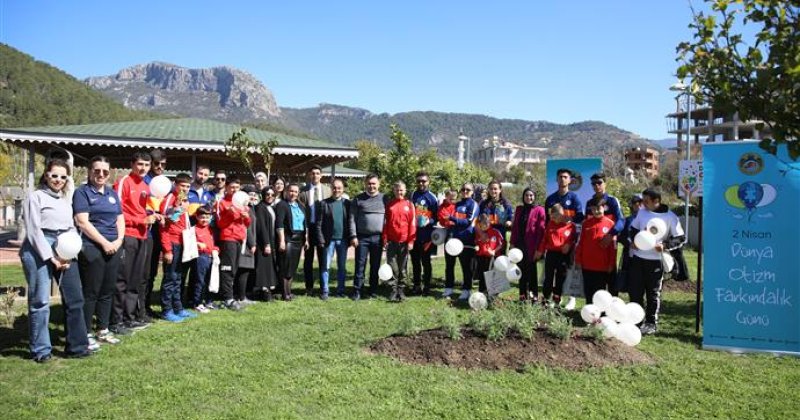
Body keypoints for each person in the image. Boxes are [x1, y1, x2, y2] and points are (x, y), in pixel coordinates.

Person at [20, 158, 91, 362]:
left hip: (64, 246)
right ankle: (41, 350)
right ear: (46, 175)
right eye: (54, 175)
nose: (58, 180)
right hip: (39, 247)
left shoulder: (65, 199)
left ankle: (77, 346)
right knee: (41, 301)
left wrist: (67, 252)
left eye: (63, 176)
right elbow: (33, 231)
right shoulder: (35, 198)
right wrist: (50, 257)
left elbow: (70, 227)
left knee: (75, 297)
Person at [74, 156, 125, 347]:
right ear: (90, 171)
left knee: (107, 290)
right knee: (91, 291)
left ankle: (103, 329)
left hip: (114, 246)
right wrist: (104, 242)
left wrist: (119, 240)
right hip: (93, 247)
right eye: (97, 171)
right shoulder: (82, 193)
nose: (101, 175)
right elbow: (82, 222)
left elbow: (120, 218)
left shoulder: (112, 194)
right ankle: (85, 332)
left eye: (105, 171)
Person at [629, 188, 685, 335]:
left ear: (656, 201)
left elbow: (680, 238)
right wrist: (633, 241)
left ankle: (650, 323)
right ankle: (636, 321)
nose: (643, 204)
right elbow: (633, 230)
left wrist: (665, 246)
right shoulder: (641, 212)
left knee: (653, 293)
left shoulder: (670, 217)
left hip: (656, 261)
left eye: (646, 201)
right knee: (635, 292)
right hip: (638, 258)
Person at [112, 151, 157, 334]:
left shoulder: (146, 186)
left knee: (135, 279)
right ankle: (116, 319)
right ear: (132, 164)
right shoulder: (124, 182)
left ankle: (130, 318)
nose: (143, 168)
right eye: (140, 164)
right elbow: (117, 212)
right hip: (127, 235)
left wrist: (153, 216)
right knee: (122, 279)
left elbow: (141, 211)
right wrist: (141, 221)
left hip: (142, 237)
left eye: (146, 165)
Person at [158, 173, 199, 322]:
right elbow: (164, 225)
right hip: (173, 243)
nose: (185, 189)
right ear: (175, 185)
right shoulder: (170, 199)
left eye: (188, 186)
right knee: (170, 278)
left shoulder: (185, 200)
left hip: (183, 243)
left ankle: (178, 307)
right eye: (183, 186)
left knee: (179, 279)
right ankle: (166, 310)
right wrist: (167, 249)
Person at [544, 168, 584, 310]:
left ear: (570, 180)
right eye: (560, 177)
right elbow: (546, 221)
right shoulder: (550, 199)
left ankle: (571, 298)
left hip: (568, 242)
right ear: (557, 179)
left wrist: (569, 218)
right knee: (550, 273)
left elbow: (580, 217)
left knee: (566, 271)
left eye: (565, 177)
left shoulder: (574, 198)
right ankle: (553, 297)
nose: (562, 179)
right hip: (553, 244)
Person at [215, 177, 252, 311]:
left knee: (234, 269)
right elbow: (219, 224)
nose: (234, 190)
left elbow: (247, 224)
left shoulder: (242, 202)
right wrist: (229, 215)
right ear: (226, 188)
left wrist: (247, 217)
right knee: (227, 269)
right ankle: (227, 299)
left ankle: (230, 296)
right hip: (228, 238)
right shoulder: (222, 203)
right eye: (232, 187)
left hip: (239, 239)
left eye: (237, 187)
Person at [348, 174, 386, 300]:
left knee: (375, 265)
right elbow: (352, 219)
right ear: (365, 184)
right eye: (369, 183)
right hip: (362, 237)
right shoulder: (358, 199)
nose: (371, 186)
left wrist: (386, 237)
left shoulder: (384, 198)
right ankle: (357, 290)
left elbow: (388, 219)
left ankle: (373, 290)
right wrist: (353, 236)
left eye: (374, 183)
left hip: (378, 238)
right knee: (360, 265)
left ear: (378, 184)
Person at [141, 148, 167, 322]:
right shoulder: (144, 182)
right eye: (156, 164)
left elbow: (172, 202)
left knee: (151, 272)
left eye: (163, 164)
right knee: (142, 272)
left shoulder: (165, 183)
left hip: (159, 233)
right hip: (145, 232)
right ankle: (138, 307)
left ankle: (146, 305)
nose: (160, 167)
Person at [574, 198, 617, 303]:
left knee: (600, 293)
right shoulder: (586, 224)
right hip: (587, 264)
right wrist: (578, 260)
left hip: (602, 266)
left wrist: (611, 263)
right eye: (593, 209)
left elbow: (613, 247)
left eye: (598, 208)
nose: (596, 211)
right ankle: (589, 313)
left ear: (604, 208)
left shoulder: (611, 224)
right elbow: (580, 243)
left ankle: (600, 315)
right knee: (588, 291)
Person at [315, 179, 352, 299]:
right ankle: (325, 291)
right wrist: (320, 239)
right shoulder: (324, 203)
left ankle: (340, 290)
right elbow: (319, 224)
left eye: (339, 188)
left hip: (343, 240)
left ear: (343, 189)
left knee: (342, 266)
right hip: (328, 241)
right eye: (334, 188)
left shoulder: (347, 203)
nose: (337, 190)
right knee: (326, 266)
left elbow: (350, 222)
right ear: (331, 188)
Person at [298, 165, 332, 296]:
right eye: (312, 173)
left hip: (323, 230)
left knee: (323, 259)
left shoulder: (328, 191)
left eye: (318, 173)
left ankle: (324, 288)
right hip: (308, 229)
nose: (315, 175)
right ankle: (309, 287)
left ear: (321, 175)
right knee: (308, 260)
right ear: (309, 175)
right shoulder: (303, 192)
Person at [589, 173, 625, 295]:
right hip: (594, 245)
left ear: (605, 183)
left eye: (599, 183)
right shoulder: (590, 203)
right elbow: (587, 223)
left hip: (610, 242)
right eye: (593, 184)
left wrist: (610, 235)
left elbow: (621, 220)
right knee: (596, 278)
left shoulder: (612, 201)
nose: (596, 186)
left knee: (610, 275)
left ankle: (612, 307)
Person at [535, 204, 575, 307]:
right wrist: (540, 251)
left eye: (556, 216)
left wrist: (569, 245)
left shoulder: (570, 225)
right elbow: (545, 239)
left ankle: (557, 299)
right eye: (552, 216)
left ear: (562, 215)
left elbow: (573, 240)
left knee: (560, 277)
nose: (554, 219)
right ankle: (546, 298)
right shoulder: (550, 224)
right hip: (551, 254)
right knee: (548, 277)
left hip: (563, 255)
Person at [509, 188, 546, 302]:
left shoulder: (539, 210)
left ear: (534, 197)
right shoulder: (519, 209)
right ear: (523, 197)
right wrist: (512, 243)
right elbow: (515, 227)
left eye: (531, 195)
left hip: (532, 247)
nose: (529, 197)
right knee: (521, 272)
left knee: (531, 273)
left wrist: (539, 249)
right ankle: (522, 297)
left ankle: (534, 297)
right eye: (526, 195)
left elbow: (541, 231)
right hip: (519, 247)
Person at [382, 181, 416, 302]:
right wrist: (385, 239)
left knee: (402, 268)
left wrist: (411, 241)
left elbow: (412, 224)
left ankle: (401, 291)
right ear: (394, 191)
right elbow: (385, 223)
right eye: (397, 190)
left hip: (404, 242)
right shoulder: (389, 205)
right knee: (392, 266)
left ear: (405, 190)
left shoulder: (409, 204)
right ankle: (393, 290)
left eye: (401, 190)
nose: (399, 192)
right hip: (391, 241)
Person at [275, 183, 307, 301]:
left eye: (295, 191)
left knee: (292, 268)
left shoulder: (301, 206)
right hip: (288, 239)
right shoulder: (282, 205)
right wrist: (282, 240)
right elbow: (279, 224)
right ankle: (285, 294)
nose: (293, 193)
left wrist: (306, 239)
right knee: (285, 268)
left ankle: (289, 291)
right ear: (286, 192)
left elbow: (305, 224)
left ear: (298, 193)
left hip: (298, 240)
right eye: (291, 191)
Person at [447, 182, 479, 301]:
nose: (465, 191)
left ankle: (467, 290)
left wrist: (452, 218)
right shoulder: (457, 204)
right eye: (463, 189)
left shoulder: (474, 204)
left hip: (467, 239)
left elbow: (468, 221)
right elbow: (452, 218)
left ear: (472, 192)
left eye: (468, 190)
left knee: (466, 267)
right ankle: (449, 287)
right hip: (455, 240)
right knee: (451, 265)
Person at [410, 171, 438, 296]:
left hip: (427, 236)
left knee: (426, 262)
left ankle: (427, 286)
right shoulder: (413, 195)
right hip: (414, 235)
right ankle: (416, 286)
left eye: (423, 181)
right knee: (415, 261)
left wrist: (429, 221)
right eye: (418, 181)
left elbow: (437, 217)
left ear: (428, 182)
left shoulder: (432, 198)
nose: (421, 183)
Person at [191, 205, 218, 313]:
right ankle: (197, 302)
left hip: (211, 257)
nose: (204, 220)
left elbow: (214, 244)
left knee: (209, 280)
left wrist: (216, 250)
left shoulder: (211, 230)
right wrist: (197, 244)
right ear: (197, 217)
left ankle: (208, 301)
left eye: (207, 217)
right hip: (200, 257)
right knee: (199, 280)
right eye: (202, 217)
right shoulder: (193, 229)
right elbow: (189, 242)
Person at [234, 185, 258, 306]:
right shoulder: (244, 209)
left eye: (254, 194)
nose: (252, 196)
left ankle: (241, 295)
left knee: (245, 270)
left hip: (248, 243)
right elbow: (247, 228)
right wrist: (252, 243)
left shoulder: (251, 208)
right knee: (244, 269)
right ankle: (241, 297)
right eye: (250, 194)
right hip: (245, 243)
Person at [254, 187, 279, 301]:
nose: (270, 196)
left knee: (269, 267)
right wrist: (266, 243)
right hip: (264, 243)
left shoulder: (270, 207)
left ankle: (269, 289)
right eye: (267, 194)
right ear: (263, 195)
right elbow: (262, 227)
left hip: (272, 240)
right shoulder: (260, 207)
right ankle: (264, 292)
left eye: (272, 195)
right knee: (264, 267)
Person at [616, 194, 643, 294]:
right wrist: (629, 243)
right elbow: (620, 236)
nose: (639, 205)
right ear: (632, 205)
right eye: (636, 203)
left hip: (646, 255)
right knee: (630, 280)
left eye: (641, 202)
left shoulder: (650, 219)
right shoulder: (627, 220)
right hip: (630, 254)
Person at [478, 180, 514, 251]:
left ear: (500, 190)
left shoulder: (506, 204)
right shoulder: (483, 203)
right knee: (484, 260)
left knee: (498, 260)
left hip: (500, 238)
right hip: (486, 237)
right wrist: (481, 233)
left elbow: (511, 218)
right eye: (491, 189)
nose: (493, 191)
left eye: (495, 189)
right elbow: (478, 220)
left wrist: (509, 222)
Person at [473, 214, 504, 294]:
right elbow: (476, 242)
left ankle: (492, 294)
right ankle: (481, 292)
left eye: (486, 224)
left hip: (491, 257)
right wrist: (476, 246)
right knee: (481, 275)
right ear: (479, 224)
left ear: (489, 223)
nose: (484, 226)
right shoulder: (478, 233)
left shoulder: (495, 232)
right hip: (481, 257)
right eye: (482, 225)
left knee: (491, 275)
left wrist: (494, 251)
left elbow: (501, 244)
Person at [436, 188, 456, 298]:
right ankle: (449, 288)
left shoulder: (457, 206)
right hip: (449, 235)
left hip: (459, 235)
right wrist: (452, 220)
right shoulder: (442, 207)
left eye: (454, 198)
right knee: (449, 264)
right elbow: (441, 219)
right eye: (451, 198)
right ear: (447, 196)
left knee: (464, 264)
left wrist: (452, 219)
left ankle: (466, 288)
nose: (453, 200)